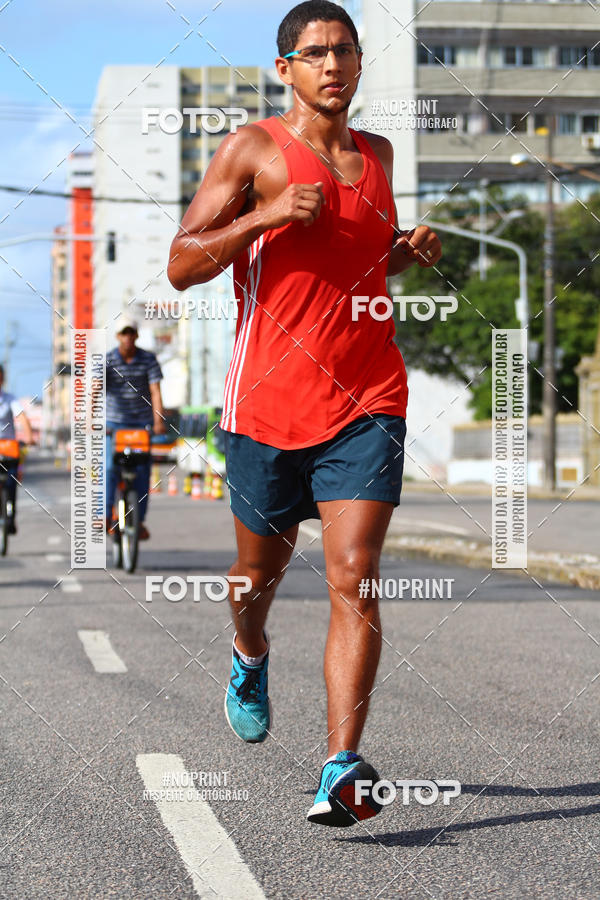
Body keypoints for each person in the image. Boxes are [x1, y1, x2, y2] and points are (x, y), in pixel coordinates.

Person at [167, 0, 442, 827]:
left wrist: (405, 252)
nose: (332, 65)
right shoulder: (251, 149)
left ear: (359, 63)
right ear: (285, 68)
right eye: (315, 52)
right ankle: (249, 651)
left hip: (368, 397)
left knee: (356, 573)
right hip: (266, 405)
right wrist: (264, 215)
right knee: (256, 579)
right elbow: (181, 264)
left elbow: (357, 262)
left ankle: (339, 765)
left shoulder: (378, 155)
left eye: (344, 50)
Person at [104, 316, 165, 540]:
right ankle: (106, 515)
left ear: (136, 335)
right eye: (124, 333)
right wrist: (91, 420)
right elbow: (96, 389)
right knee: (109, 467)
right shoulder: (108, 359)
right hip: (113, 424)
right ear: (117, 336)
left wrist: (158, 421)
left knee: (143, 471)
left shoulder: (148, 359)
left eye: (131, 332)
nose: (128, 337)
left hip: (141, 424)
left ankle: (139, 521)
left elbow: (155, 391)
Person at [0, 363, 33, 534]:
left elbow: (22, 417)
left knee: (12, 480)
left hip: (8, 448)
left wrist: (29, 437)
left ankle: (10, 516)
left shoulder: (10, 399)